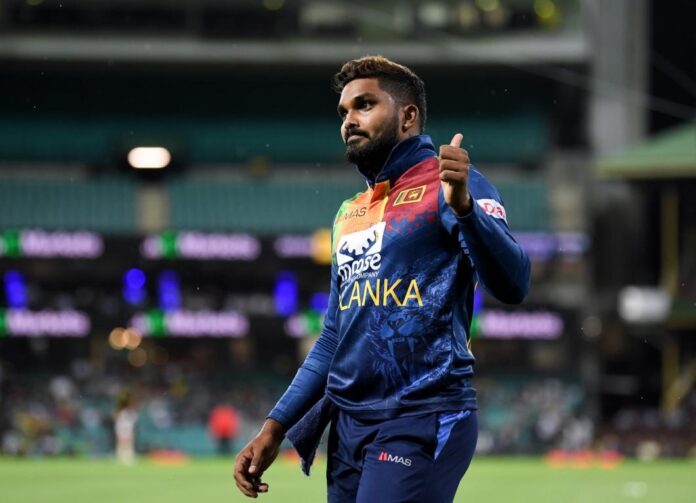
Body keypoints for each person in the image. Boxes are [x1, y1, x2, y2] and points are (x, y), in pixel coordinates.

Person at [234, 55, 531, 502]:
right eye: (344, 112)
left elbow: (514, 284)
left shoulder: (451, 184)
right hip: (348, 428)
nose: (349, 120)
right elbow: (333, 338)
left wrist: (466, 209)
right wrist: (274, 427)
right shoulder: (349, 212)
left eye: (365, 105)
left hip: (421, 415)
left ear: (407, 116)